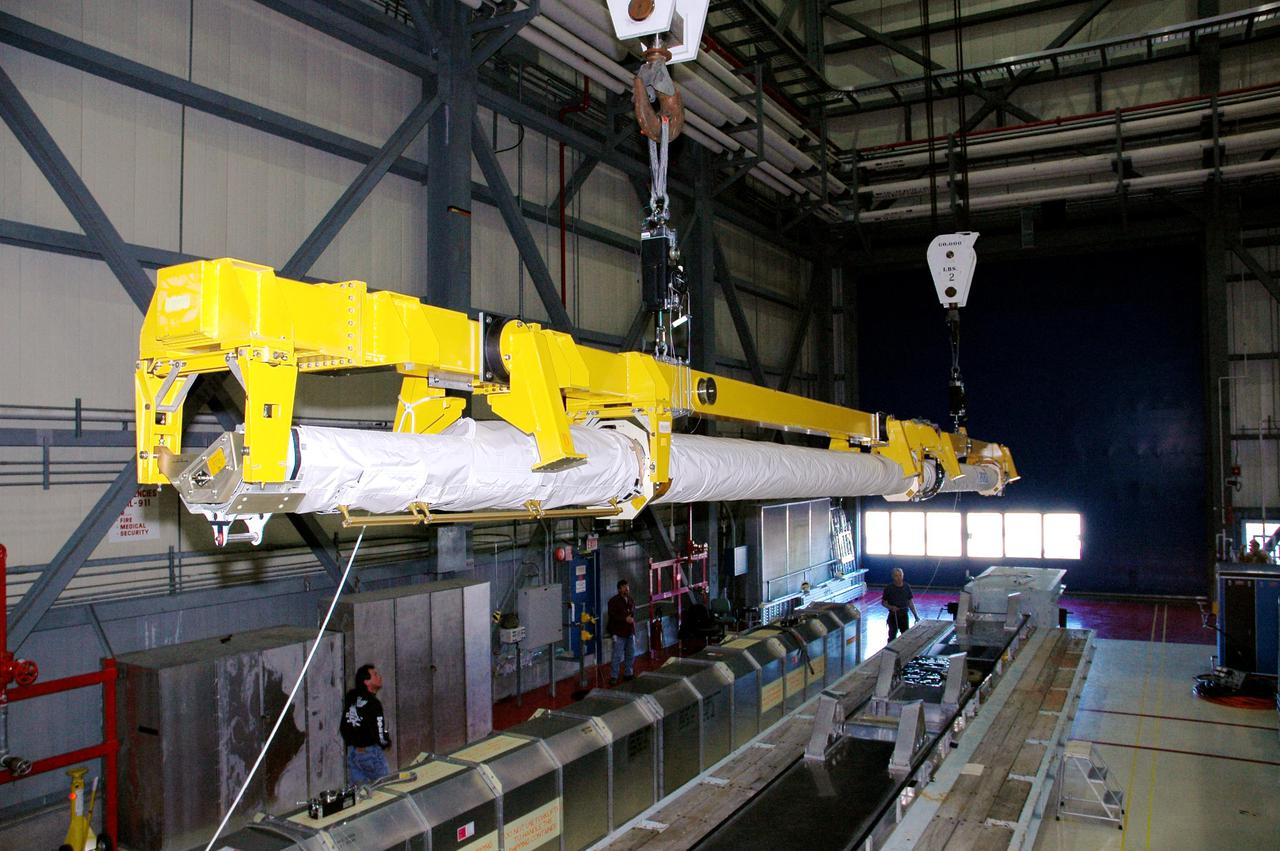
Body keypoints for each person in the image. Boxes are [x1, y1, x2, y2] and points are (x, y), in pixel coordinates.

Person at [341, 664, 391, 784]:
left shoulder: (351, 697)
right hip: (370, 753)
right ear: (366, 682)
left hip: (353, 753)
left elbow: (344, 725)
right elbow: (379, 731)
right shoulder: (374, 704)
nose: (379, 677)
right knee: (384, 787)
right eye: (375, 675)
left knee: (359, 793)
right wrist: (386, 742)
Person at [607, 579, 637, 685]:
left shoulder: (631, 600)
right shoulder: (613, 601)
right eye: (624, 587)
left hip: (629, 632)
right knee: (617, 655)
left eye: (627, 587)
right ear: (619, 589)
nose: (627, 589)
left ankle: (628, 673)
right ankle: (614, 676)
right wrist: (625, 619)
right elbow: (613, 615)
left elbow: (633, 612)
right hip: (619, 633)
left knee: (630, 653)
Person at [883, 568, 919, 642]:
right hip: (893, 616)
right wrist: (891, 607)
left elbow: (910, 602)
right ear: (893, 576)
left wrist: (916, 615)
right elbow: (883, 602)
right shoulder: (888, 588)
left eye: (900, 575)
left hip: (904, 615)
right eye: (896, 576)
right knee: (892, 636)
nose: (899, 578)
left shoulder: (907, 587)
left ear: (903, 576)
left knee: (905, 636)